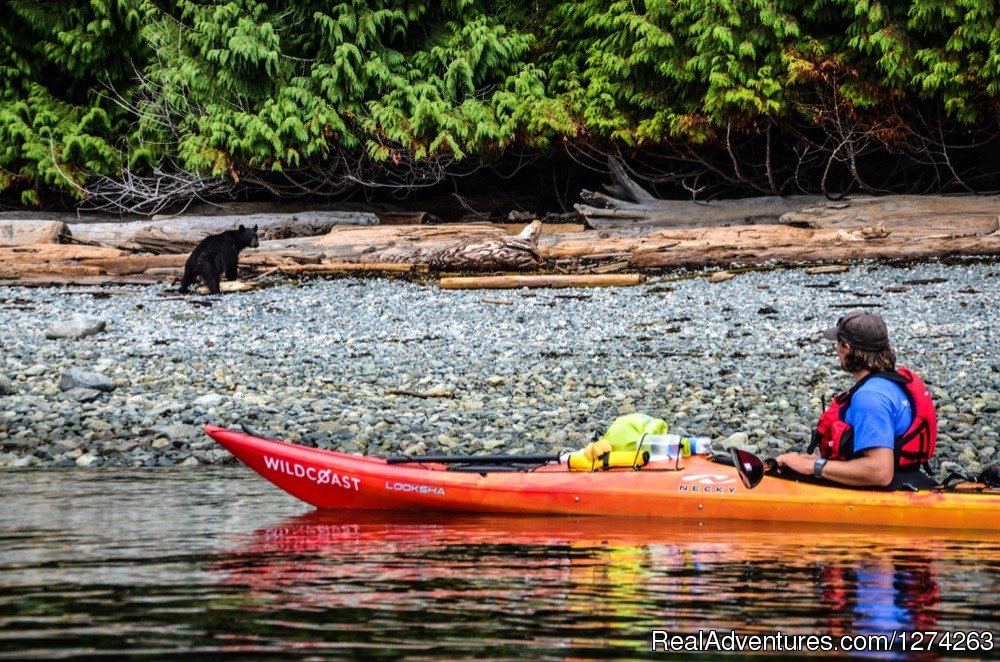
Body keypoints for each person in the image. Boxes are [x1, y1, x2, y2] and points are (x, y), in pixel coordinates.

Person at [776, 312, 937, 488]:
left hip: (887, 490)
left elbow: (880, 472)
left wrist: (812, 466)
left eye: (838, 344)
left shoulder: (869, 396)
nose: (837, 350)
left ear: (846, 347)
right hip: (911, 479)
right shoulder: (893, 384)